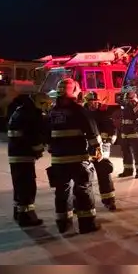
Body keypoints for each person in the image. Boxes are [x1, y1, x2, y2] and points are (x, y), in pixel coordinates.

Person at [46, 78, 102, 234]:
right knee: (83, 189)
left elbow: (45, 134)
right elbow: (92, 132)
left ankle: (63, 225)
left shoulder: (52, 112)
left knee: (61, 192)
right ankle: (87, 224)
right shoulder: (79, 111)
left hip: (58, 160)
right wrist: (98, 149)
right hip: (78, 159)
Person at [7, 93, 47, 227]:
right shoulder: (31, 114)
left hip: (15, 154)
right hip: (24, 155)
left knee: (19, 186)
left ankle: (18, 213)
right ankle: (27, 217)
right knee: (27, 187)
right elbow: (33, 136)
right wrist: (39, 150)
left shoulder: (18, 112)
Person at [85, 91, 118, 211]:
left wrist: (110, 139)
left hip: (102, 147)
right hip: (87, 147)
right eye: (91, 102)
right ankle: (81, 202)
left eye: (96, 102)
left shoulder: (103, 114)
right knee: (83, 177)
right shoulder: (83, 114)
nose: (94, 104)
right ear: (87, 102)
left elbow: (112, 128)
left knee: (104, 173)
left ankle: (109, 200)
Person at [116, 91, 138, 178]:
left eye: (128, 99)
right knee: (126, 153)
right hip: (125, 133)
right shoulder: (125, 106)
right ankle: (128, 170)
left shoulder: (135, 105)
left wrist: (135, 124)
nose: (126, 101)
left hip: (133, 133)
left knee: (137, 153)